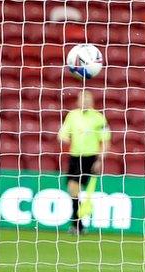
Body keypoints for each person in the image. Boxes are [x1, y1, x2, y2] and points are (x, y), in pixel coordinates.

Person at [58, 90, 110, 235]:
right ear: (78, 101)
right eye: (82, 99)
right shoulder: (72, 115)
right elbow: (63, 134)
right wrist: (65, 137)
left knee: (74, 187)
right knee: (72, 189)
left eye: (88, 99)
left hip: (90, 157)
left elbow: (105, 140)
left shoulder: (99, 118)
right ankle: (78, 225)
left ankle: (77, 225)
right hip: (74, 156)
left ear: (92, 102)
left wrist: (100, 159)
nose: (85, 101)